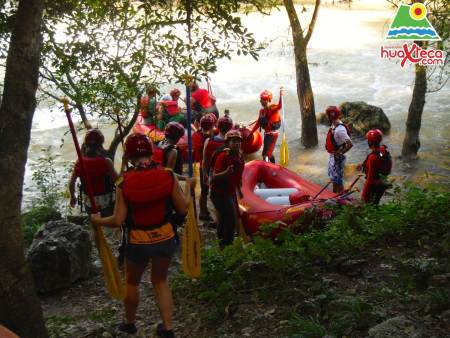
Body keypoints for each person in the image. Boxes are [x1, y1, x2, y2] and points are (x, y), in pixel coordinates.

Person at [91, 133, 195, 338]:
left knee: (132, 282)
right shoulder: (168, 175)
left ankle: (130, 324)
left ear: (128, 158)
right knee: (160, 281)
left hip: (138, 242)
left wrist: (97, 221)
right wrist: (189, 187)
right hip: (165, 238)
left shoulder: (124, 182)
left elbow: (118, 220)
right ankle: (167, 328)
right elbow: (183, 209)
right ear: (151, 152)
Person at [69, 129, 118, 216]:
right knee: (109, 223)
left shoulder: (80, 162)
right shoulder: (106, 162)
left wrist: (73, 197)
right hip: (106, 202)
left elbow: (72, 183)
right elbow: (118, 181)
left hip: (89, 202)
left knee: (95, 223)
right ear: (101, 144)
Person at [210, 130, 245, 249]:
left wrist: (239, 191)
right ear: (228, 143)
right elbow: (214, 177)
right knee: (230, 220)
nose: (237, 144)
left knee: (227, 218)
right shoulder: (223, 156)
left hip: (230, 192)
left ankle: (222, 244)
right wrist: (226, 172)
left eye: (238, 142)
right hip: (219, 194)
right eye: (234, 142)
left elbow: (238, 176)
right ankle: (226, 246)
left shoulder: (239, 155)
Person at [202, 115, 234, 201]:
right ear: (230, 128)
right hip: (227, 175)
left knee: (216, 199)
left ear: (218, 127)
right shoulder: (233, 143)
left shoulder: (208, 141)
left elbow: (205, 161)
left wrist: (205, 175)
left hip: (214, 175)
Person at [249, 88, 284, 163]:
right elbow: (258, 123)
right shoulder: (261, 111)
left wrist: (281, 95)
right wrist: (251, 132)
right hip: (267, 134)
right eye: (261, 99)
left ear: (268, 100)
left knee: (265, 155)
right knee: (269, 153)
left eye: (263, 99)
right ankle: (274, 165)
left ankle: (268, 167)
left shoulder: (273, 108)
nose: (261, 101)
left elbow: (280, 106)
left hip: (272, 134)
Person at [193, 114, 216, 222]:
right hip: (207, 167)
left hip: (201, 166)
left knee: (204, 190)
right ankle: (203, 212)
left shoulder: (196, 135)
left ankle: (204, 210)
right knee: (206, 191)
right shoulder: (209, 138)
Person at [359, 129, 392, 205]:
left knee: (368, 205)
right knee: (375, 203)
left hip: (374, 186)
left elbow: (370, 180)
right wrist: (364, 164)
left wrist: (364, 196)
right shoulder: (383, 151)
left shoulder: (373, 157)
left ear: (370, 142)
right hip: (382, 183)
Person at [324, 106, 353, 193]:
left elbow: (350, 144)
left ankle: (340, 199)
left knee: (338, 181)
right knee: (334, 180)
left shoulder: (340, 130)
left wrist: (340, 153)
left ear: (331, 116)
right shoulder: (334, 124)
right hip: (333, 156)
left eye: (327, 115)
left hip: (337, 158)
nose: (326, 117)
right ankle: (335, 195)